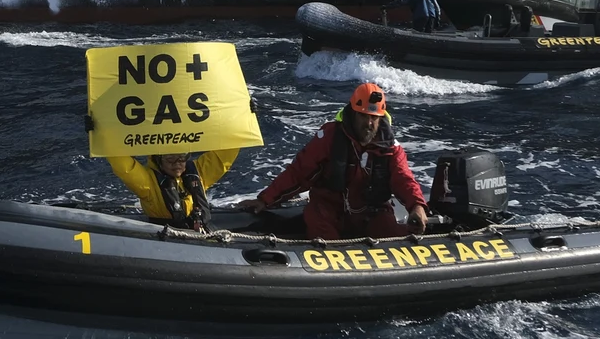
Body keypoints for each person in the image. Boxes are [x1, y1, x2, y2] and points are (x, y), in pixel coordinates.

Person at [236, 83, 429, 240]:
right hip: (329, 209)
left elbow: (403, 179)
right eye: (363, 116)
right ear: (353, 113)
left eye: (373, 118)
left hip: (372, 212)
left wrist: (417, 206)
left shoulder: (391, 148)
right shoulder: (330, 137)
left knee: (393, 238)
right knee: (321, 231)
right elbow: (299, 173)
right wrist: (264, 200)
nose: (368, 123)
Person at [107, 148, 241, 231]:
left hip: (199, 234)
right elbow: (124, 167)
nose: (177, 163)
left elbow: (223, 157)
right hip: (164, 236)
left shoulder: (199, 172)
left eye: (181, 158)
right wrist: (101, 135)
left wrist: (243, 118)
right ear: (159, 160)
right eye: (170, 159)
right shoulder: (148, 182)